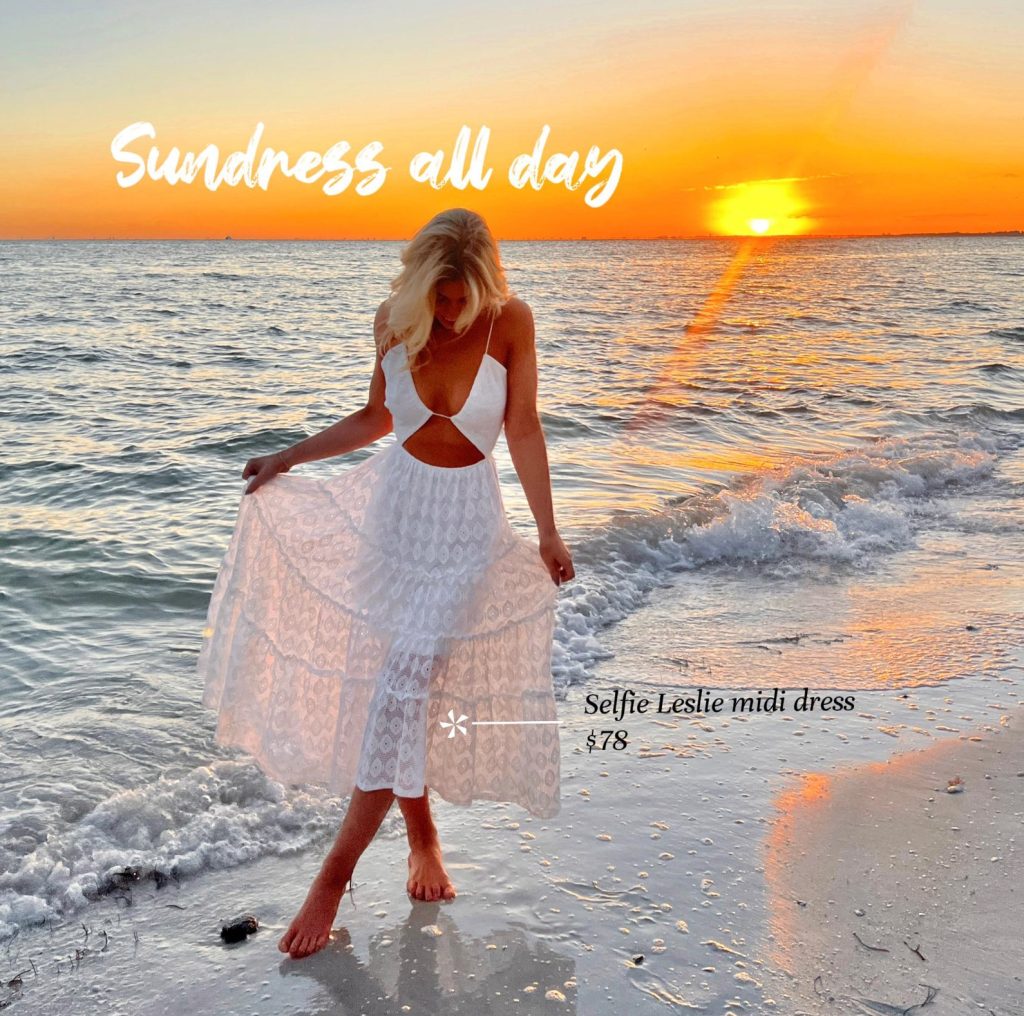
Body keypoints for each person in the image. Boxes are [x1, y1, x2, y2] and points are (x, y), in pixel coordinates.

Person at [196, 208, 574, 961]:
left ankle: (333, 877)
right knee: (393, 695)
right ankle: (423, 840)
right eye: (440, 295)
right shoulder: (392, 322)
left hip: (465, 528)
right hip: (393, 520)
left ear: (485, 282)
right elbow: (375, 418)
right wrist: (288, 459)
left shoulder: (510, 323)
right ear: (423, 279)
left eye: (463, 297)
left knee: (405, 687)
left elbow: (524, 428)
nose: (450, 312)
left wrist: (548, 529)